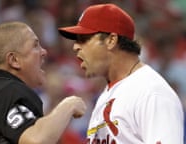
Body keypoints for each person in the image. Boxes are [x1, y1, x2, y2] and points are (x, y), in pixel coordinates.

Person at [58, 3, 184, 144]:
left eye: (84, 39)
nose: (75, 46)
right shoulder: (107, 94)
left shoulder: (152, 92)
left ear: (111, 40)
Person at [0, 21, 87, 144]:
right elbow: (36, 140)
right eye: (35, 46)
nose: (43, 51)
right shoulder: (4, 91)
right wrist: (68, 105)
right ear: (14, 60)